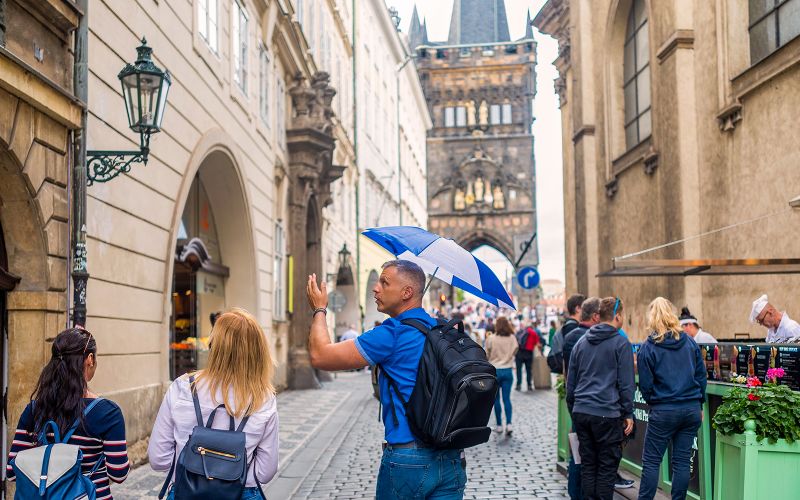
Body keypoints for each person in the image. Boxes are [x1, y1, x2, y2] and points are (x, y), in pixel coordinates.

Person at [305, 260, 467, 499]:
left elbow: (320, 356)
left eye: (384, 282)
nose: (376, 288)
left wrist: (319, 309)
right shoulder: (441, 329)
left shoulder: (392, 333)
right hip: (451, 457)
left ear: (407, 292)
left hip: (408, 458)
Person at [148, 308, 279, 499]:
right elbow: (265, 472)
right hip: (243, 493)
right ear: (258, 351)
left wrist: (194, 467)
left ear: (214, 346)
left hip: (187, 490)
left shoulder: (183, 387)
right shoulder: (264, 397)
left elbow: (158, 459)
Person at [7, 328, 130, 499]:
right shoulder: (107, 412)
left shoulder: (34, 410)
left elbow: (12, 472)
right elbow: (119, 474)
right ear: (90, 359)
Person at [636, 298, 707, 500]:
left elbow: (646, 385)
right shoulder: (690, 343)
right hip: (691, 409)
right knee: (682, 462)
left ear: (652, 317)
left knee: (651, 462)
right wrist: (699, 403)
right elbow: (701, 377)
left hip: (664, 410)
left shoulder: (648, 348)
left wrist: (655, 402)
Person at [566, 297, 635, 500]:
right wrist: (628, 412)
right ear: (618, 316)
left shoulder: (581, 342)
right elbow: (626, 383)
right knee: (606, 468)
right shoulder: (621, 343)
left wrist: (574, 410)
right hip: (607, 413)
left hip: (582, 412)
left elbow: (571, 384)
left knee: (588, 465)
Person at [486, 316, 518, 436]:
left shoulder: (491, 338)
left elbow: (487, 354)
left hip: (495, 371)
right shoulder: (512, 338)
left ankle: (499, 425)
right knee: (507, 399)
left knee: (496, 400)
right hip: (508, 370)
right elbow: (515, 351)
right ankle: (509, 424)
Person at [562, 297, 601, 377]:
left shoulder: (569, 337)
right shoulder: (596, 337)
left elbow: (568, 371)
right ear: (595, 316)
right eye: (603, 315)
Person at [548, 294, 585, 374]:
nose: (586, 311)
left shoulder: (567, 326)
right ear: (578, 309)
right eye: (584, 308)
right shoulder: (572, 328)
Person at [514, 324, 538, 391]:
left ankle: (518, 385)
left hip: (519, 353)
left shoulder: (519, 332)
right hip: (528, 353)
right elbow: (536, 343)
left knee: (519, 370)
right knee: (528, 370)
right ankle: (529, 385)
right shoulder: (533, 333)